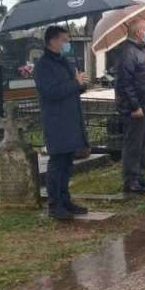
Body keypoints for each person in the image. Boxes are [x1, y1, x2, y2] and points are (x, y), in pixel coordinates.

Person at [34, 25, 90, 221]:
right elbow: (51, 91)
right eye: (64, 40)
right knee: (57, 163)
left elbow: (73, 88)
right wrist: (75, 83)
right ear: (52, 41)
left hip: (70, 117)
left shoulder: (64, 61)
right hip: (56, 120)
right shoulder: (43, 65)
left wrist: (80, 83)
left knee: (67, 163)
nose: (67, 44)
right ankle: (54, 204)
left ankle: (66, 200)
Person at [115, 20, 145, 194]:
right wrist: (135, 106)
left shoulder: (142, 50)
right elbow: (124, 83)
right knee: (133, 144)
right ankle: (131, 180)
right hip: (136, 109)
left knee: (142, 144)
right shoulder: (128, 52)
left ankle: (141, 177)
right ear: (138, 33)